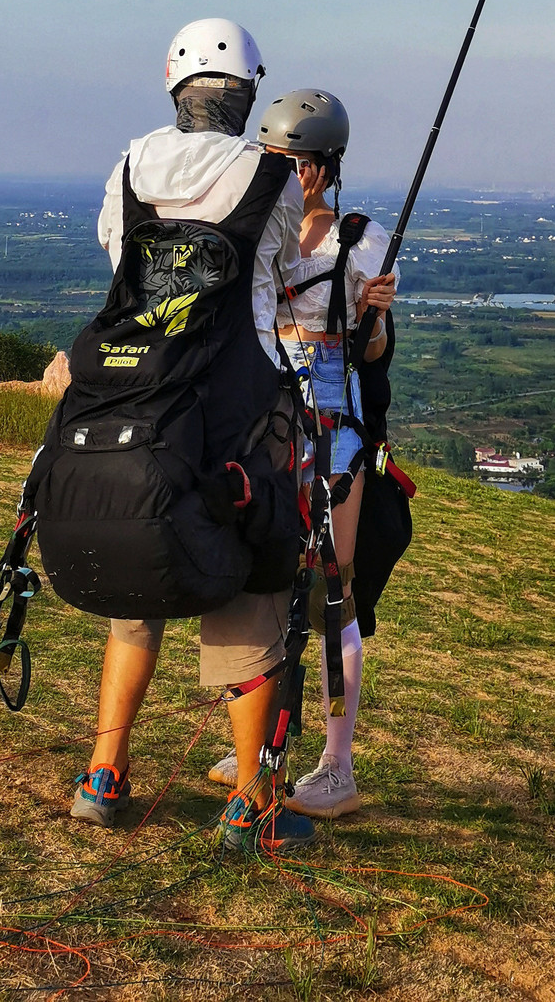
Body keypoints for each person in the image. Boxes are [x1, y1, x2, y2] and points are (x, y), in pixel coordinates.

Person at [70, 21, 317, 856]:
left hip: (136, 407)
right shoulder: (271, 178)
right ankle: (252, 803)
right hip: (235, 422)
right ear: (248, 94)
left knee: (138, 595)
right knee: (251, 603)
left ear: (175, 89)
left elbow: (118, 257)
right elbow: (277, 268)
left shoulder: (129, 169)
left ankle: (104, 776)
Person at [209, 90, 397, 818]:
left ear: (321, 168)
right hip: (269, 410)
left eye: (293, 163)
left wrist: (375, 315)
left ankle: (337, 763)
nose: (283, 173)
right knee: (271, 580)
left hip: (330, 414)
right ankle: (263, 748)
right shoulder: (265, 231)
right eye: (276, 160)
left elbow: (372, 351)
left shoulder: (360, 241)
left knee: (332, 587)